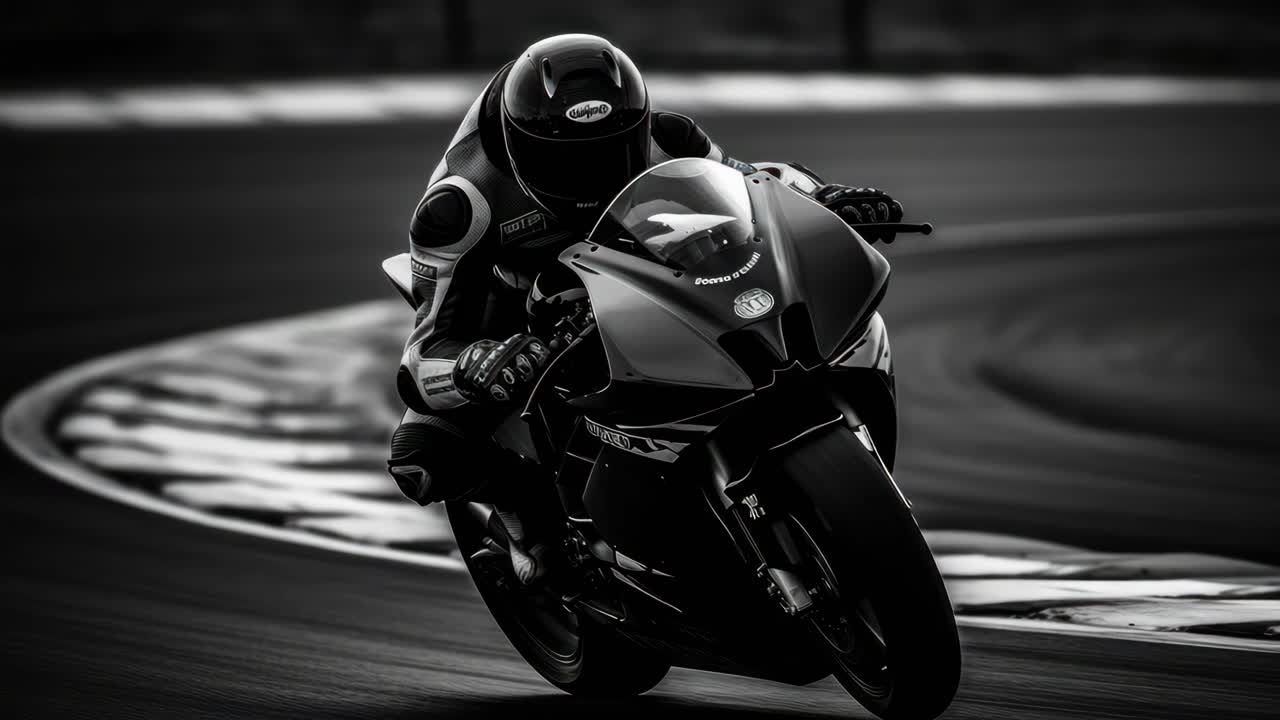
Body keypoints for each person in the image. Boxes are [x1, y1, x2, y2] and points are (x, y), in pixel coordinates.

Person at [387, 34, 903, 581]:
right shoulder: (458, 207)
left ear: (637, 129)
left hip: (634, 249)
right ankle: (524, 522)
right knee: (423, 454)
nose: (590, 173)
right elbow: (421, 358)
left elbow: (752, 184)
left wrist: (826, 199)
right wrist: (471, 364)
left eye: (609, 152)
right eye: (567, 162)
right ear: (522, 152)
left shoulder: (669, 136)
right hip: (512, 300)